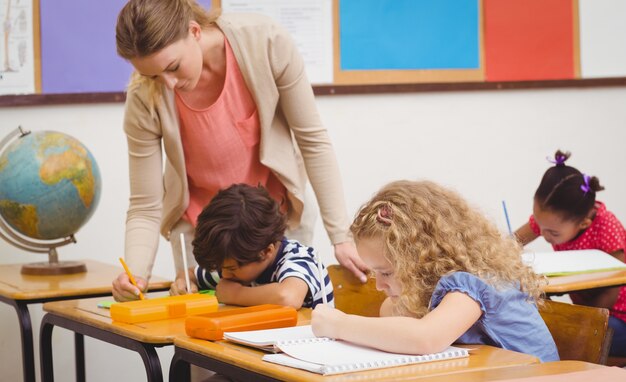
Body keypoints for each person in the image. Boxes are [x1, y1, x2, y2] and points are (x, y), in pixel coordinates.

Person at [111, 0, 367, 301]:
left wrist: (341, 236)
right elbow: (145, 203)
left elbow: (312, 140)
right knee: (205, 338)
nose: (167, 85)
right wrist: (136, 276)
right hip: (203, 235)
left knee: (281, 329)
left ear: (194, 31)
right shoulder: (144, 96)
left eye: (173, 67)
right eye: (153, 76)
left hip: (272, 225)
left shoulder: (265, 42)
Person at [311, 180, 559, 362]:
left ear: (421, 260)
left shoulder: (473, 284)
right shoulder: (441, 286)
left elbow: (425, 338)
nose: (379, 286)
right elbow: (389, 313)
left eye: (386, 273)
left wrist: (340, 325)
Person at [514, 150, 626, 356]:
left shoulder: (607, 227)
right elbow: (511, 243)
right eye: (539, 225)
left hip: (618, 318)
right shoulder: (552, 221)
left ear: (584, 223)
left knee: (564, 334)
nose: (544, 234)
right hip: (588, 310)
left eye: (553, 233)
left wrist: (577, 320)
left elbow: (614, 286)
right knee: (535, 325)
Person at [169, 183, 333, 308]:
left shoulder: (299, 258)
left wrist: (235, 294)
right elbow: (190, 273)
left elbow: (288, 297)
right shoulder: (235, 263)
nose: (224, 275)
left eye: (231, 269)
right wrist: (184, 282)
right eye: (222, 268)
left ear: (266, 251)